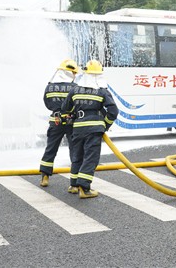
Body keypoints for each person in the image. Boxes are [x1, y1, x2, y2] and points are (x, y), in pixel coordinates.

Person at [62, 60, 118, 199]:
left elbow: (65, 109)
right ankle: (84, 188)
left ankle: (74, 185)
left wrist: (71, 119)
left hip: (78, 129)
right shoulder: (102, 91)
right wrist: (105, 125)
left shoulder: (75, 90)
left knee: (77, 157)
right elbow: (113, 111)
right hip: (94, 130)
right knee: (90, 158)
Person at [39, 59, 79, 188]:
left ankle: (45, 176)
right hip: (70, 121)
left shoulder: (49, 86)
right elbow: (77, 104)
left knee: (51, 148)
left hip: (55, 121)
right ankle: (74, 181)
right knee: (74, 150)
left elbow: (47, 104)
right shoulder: (74, 87)